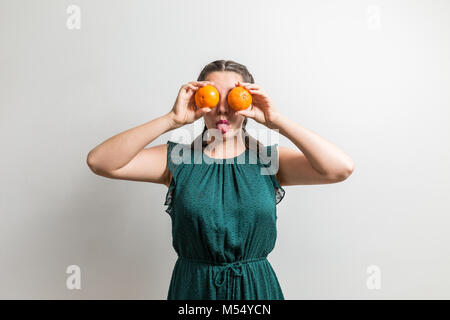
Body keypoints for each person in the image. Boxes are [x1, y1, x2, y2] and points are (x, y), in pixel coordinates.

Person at [86, 59, 355, 300]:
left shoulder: (267, 160)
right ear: (199, 101)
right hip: (194, 290)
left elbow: (339, 168)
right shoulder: (179, 159)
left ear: (248, 101)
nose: (223, 109)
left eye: (234, 97)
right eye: (213, 98)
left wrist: (277, 121)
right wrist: (172, 119)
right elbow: (100, 162)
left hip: (256, 292)